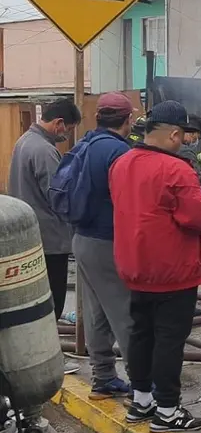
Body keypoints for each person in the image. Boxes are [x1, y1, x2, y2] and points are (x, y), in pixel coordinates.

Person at [110, 101, 201, 433]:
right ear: (173, 133)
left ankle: (141, 402)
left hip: (135, 267)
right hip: (172, 271)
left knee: (141, 335)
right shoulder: (176, 170)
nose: (184, 142)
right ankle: (168, 410)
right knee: (169, 341)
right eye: (182, 136)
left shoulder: (121, 163)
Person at [7, 97, 81, 374]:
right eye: (68, 129)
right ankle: (51, 358)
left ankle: (36, 355)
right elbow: (58, 196)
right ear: (58, 123)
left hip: (29, 236)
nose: (66, 136)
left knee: (35, 302)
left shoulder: (24, 141)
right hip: (50, 238)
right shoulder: (45, 151)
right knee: (53, 301)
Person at [72, 93, 136, 399]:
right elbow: (131, 202)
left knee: (97, 313)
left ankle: (104, 378)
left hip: (82, 240)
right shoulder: (120, 152)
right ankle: (143, 387)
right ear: (128, 120)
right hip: (108, 241)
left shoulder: (85, 144)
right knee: (126, 314)